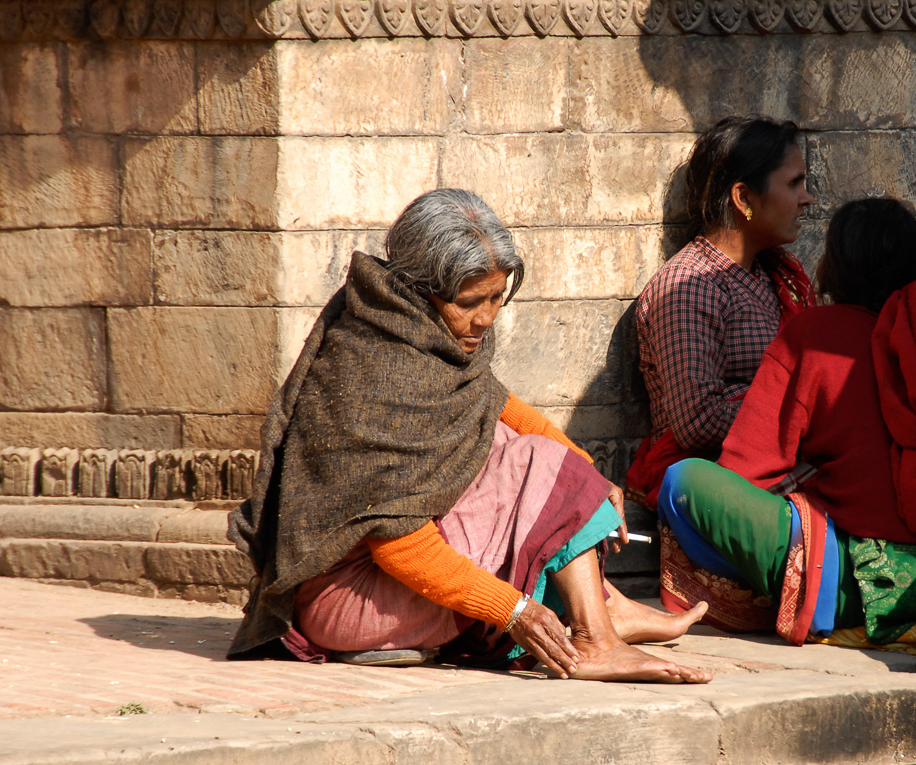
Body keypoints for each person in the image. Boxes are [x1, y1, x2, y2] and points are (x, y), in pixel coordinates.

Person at [227, 188, 710, 684]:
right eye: (470, 302)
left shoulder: (420, 331)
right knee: (534, 464)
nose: (486, 318)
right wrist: (514, 609)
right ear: (420, 289)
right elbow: (399, 546)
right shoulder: (380, 370)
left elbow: (496, 404)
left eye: (497, 297)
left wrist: (582, 470)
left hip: (389, 589)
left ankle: (604, 608)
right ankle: (595, 639)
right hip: (352, 602)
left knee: (513, 443)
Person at [654, 199, 916, 649]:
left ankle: (804, 597)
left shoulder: (815, 333)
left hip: (844, 580)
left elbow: (746, 470)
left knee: (682, 481)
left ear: (839, 265)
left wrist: (798, 488)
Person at [626, 116, 816, 509]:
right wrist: (801, 402)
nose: (806, 198)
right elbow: (698, 420)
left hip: (777, 458)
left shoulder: (774, 275)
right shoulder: (689, 285)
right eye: (794, 183)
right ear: (744, 198)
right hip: (714, 478)